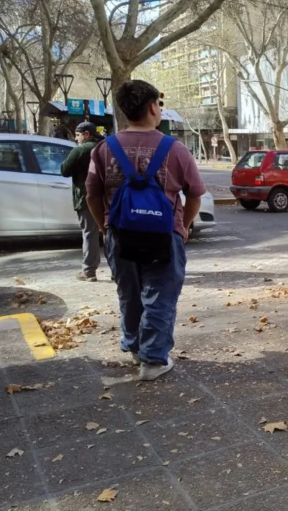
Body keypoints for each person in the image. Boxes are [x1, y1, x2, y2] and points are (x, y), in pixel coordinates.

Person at [86, 80, 206, 381]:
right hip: (164, 235)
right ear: (153, 108)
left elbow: (92, 195)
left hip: (120, 233)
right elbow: (194, 195)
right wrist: (184, 226)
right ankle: (153, 360)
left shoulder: (104, 148)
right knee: (161, 295)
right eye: (159, 105)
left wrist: (105, 228)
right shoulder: (175, 149)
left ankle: (137, 348)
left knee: (129, 293)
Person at [61, 121, 104, 282]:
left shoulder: (80, 150)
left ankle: (89, 271)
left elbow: (64, 170)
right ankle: (116, 269)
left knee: (89, 234)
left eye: (78, 135)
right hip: (108, 197)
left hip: (86, 197)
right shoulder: (106, 147)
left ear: (86, 134)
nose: (76, 139)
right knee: (110, 233)